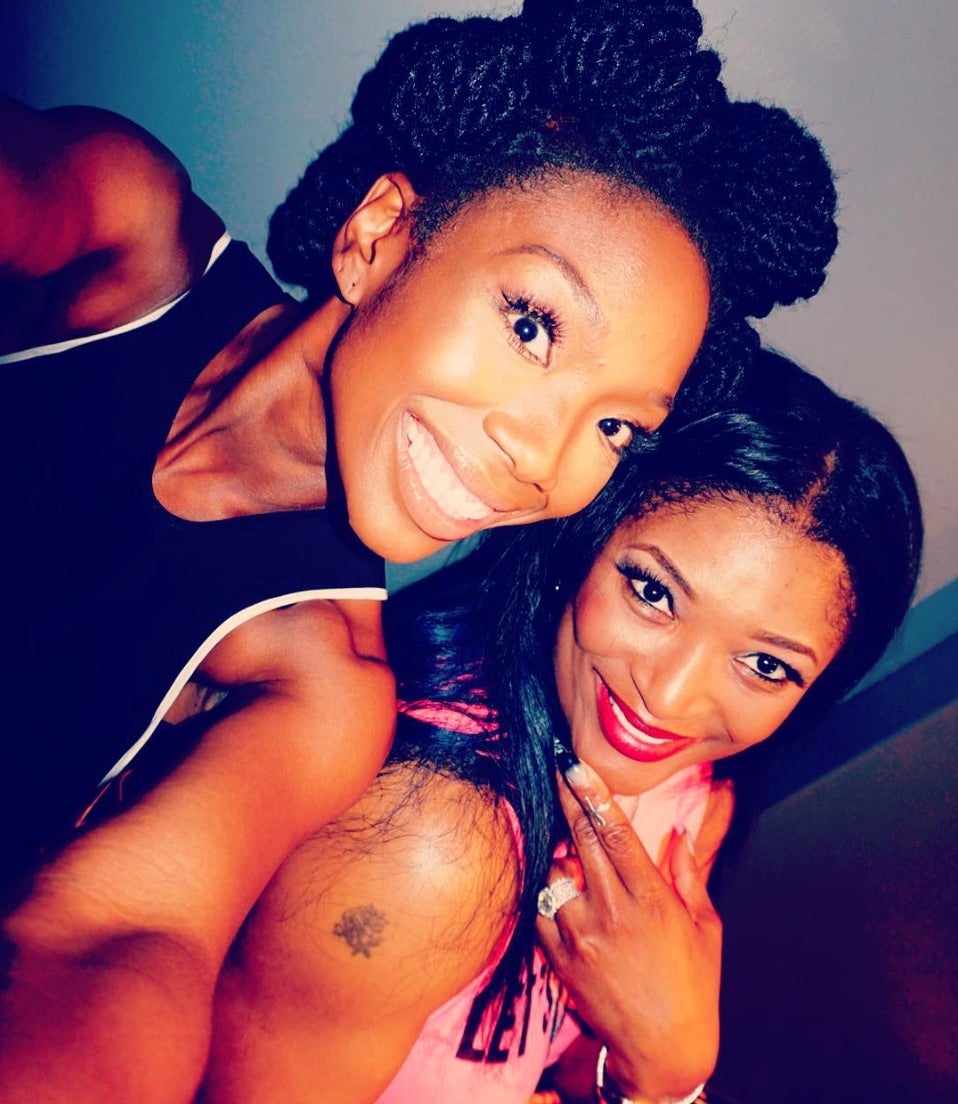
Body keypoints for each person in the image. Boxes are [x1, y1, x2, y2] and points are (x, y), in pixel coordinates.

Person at [0, 0, 837, 1098]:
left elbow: (123, 937)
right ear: (378, 236)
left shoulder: (323, 686)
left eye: (614, 426)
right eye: (532, 325)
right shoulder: (116, 229)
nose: (543, 456)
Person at [198, 352, 923, 1104]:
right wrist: (672, 1079)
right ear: (585, 537)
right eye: (652, 592)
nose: (669, 699)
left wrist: (652, 1061)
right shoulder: (426, 846)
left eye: (766, 666)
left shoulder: (697, 793)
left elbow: (570, 1058)